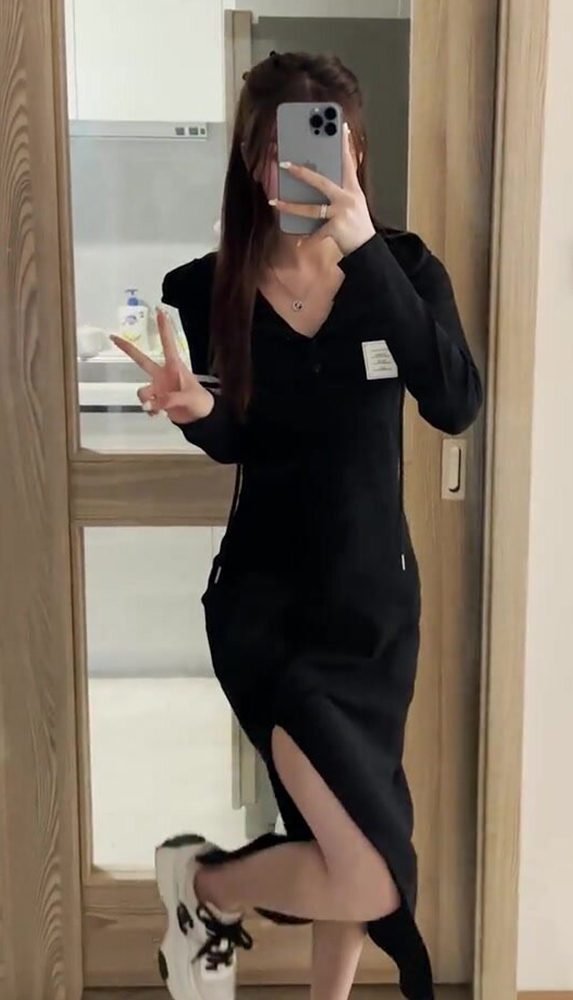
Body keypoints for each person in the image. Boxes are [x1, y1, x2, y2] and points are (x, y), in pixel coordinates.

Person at [112, 50, 482, 1000]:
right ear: (250, 159)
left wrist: (363, 251)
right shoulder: (206, 289)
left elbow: (455, 404)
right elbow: (240, 442)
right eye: (279, 150)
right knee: (368, 869)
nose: (299, 169)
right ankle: (205, 885)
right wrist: (200, 414)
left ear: (354, 152)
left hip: (374, 611)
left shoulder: (403, 269)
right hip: (268, 612)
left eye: (324, 145)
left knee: (344, 837)